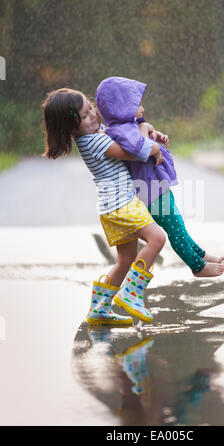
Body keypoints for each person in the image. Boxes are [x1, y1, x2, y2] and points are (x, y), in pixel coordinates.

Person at [41, 88, 167, 325]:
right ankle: (131, 294)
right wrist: (151, 142)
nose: (93, 115)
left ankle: (99, 309)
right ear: (71, 126)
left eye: (90, 107)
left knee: (125, 260)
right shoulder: (95, 141)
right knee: (157, 239)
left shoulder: (91, 136)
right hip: (122, 205)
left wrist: (143, 128)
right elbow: (135, 152)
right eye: (85, 115)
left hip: (111, 208)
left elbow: (127, 139)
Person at [96, 77, 224, 278]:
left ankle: (200, 255)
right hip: (149, 191)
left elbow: (143, 136)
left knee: (178, 224)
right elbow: (139, 148)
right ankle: (197, 266)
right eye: (138, 105)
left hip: (154, 186)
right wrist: (150, 139)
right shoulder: (120, 130)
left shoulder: (127, 126)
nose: (142, 108)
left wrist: (153, 132)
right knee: (175, 230)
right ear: (122, 107)